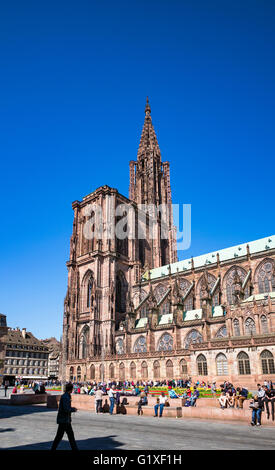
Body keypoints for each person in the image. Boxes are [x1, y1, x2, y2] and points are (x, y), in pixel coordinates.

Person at [51, 383, 78, 451]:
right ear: (71, 389)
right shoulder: (66, 396)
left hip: (64, 420)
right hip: (64, 420)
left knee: (61, 436)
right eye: (72, 389)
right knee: (69, 436)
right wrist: (73, 409)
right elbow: (66, 409)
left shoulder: (66, 396)